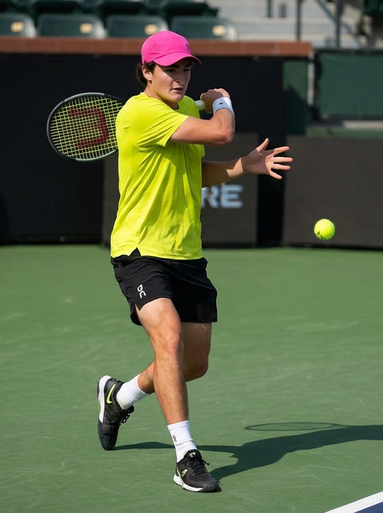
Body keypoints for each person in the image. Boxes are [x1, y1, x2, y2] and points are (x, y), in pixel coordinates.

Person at [96, 30, 293, 493]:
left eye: (185, 68)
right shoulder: (140, 112)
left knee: (192, 363)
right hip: (139, 250)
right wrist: (220, 100)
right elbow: (222, 132)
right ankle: (186, 456)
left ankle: (119, 396)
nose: (180, 77)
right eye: (170, 69)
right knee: (168, 339)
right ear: (147, 71)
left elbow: (193, 172)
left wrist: (244, 166)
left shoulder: (184, 108)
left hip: (186, 253)